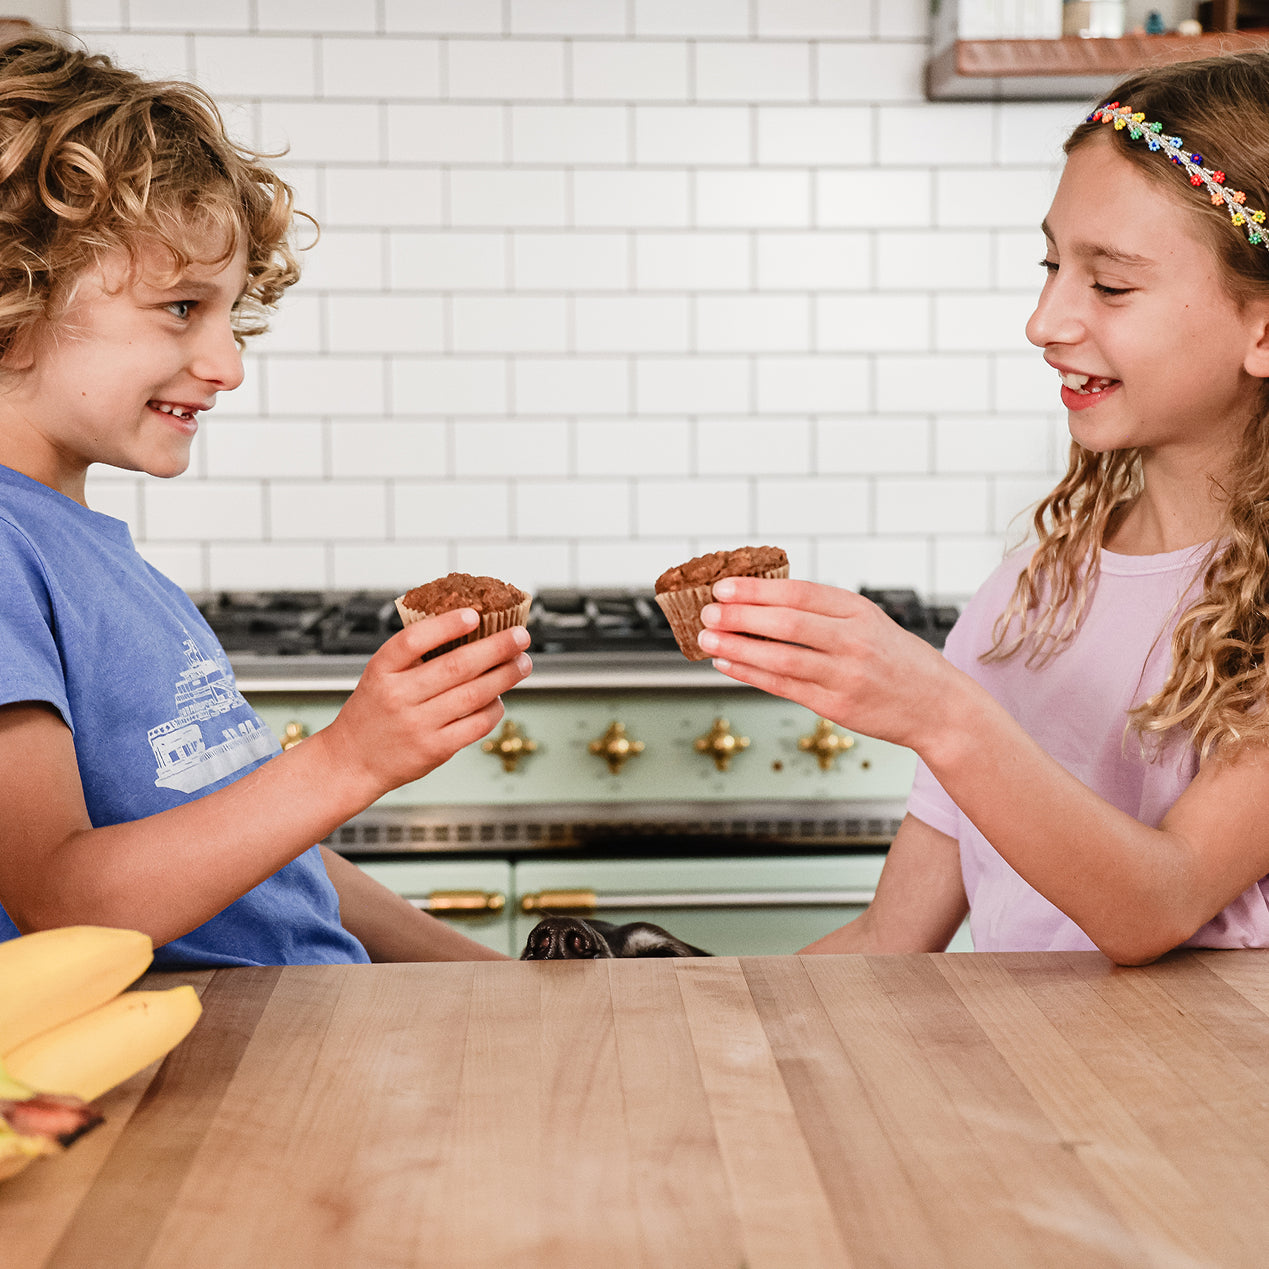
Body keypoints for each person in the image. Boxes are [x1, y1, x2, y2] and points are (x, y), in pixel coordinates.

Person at [700, 52, 1269, 966]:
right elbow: (891, 938)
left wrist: (936, 708)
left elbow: (1157, 904)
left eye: (1109, 283)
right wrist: (698, 1023)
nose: (1044, 321)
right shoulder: (1030, 595)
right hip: (1032, 1100)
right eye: (1051, 264)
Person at [0, 33, 529, 966]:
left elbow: (263, 860)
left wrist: (490, 976)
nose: (228, 365)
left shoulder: (91, 554)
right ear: (14, 287)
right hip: (215, 1079)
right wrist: (350, 758)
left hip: (302, 1034)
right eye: (181, 308)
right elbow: (63, 902)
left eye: (229, 312)